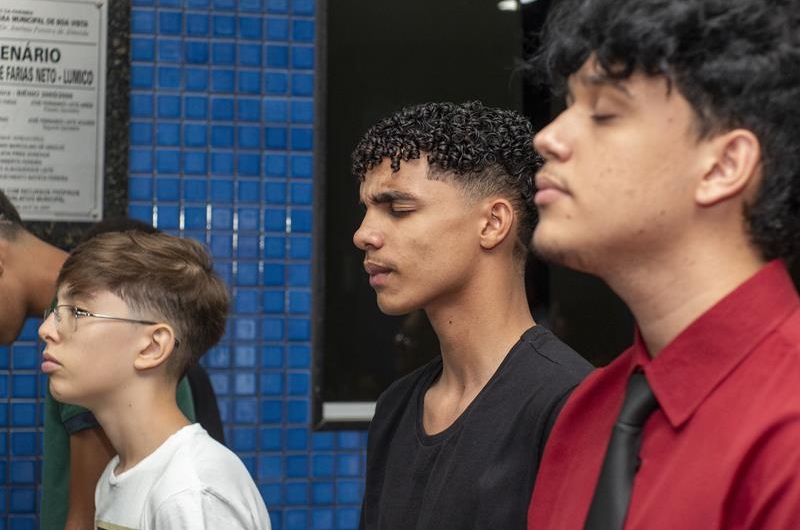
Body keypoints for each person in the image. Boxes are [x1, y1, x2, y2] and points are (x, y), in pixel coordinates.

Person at [525, 1, 800, 529]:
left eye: (603, 113)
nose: (549, 137)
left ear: (722, 166)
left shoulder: (786, 427)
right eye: (568, 104)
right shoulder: (586, 411)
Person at [352, 101, 593, 530]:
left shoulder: (570, 403)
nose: (363, 235)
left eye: (398, 209)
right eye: (366, 210)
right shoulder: (396, 407)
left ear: (492, 223)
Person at [39, 231, 270, 529]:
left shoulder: (191, 494)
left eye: (77, 312)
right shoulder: (117, 477)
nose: (46, 329)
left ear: (152, 347)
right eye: (55, 310)